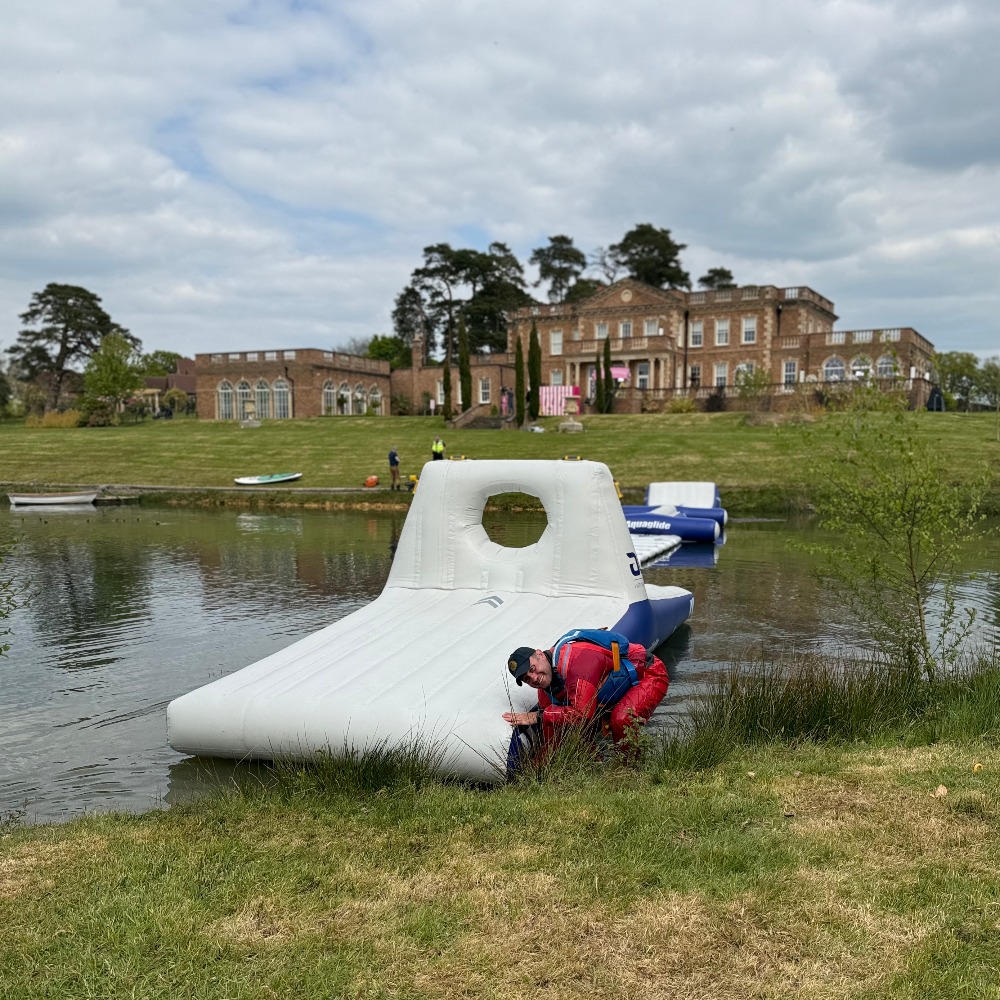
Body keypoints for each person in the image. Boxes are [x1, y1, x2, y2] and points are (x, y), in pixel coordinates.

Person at [503, 629, 668, 757]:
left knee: (621, 719)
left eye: (532, 669)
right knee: (574, 732)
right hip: (610, 692)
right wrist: (541, 764)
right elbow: (553, 731)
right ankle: (594, 767)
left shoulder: (577, 662)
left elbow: (581, 715)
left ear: (540, 654)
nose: (534, 678)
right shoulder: (546, 688)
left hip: (646, 674)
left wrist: (539, 715)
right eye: (527, 679)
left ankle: (628, 772)